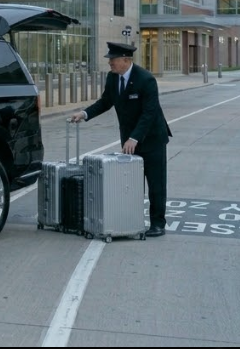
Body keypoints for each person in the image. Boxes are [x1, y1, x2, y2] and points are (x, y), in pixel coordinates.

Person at [70, 42, 172, 237]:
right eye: (110, 60)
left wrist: (135, 137)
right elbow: (105, 102)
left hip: (151, 139)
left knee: (156, 184)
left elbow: (149, 114)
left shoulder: (146, 80)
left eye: (113, 59)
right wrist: (84, 113)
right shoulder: (112, 78)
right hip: (129, 141)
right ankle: (131, 221)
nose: (110, 63)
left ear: (126, 60)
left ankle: (158, 224)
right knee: (131, 184)